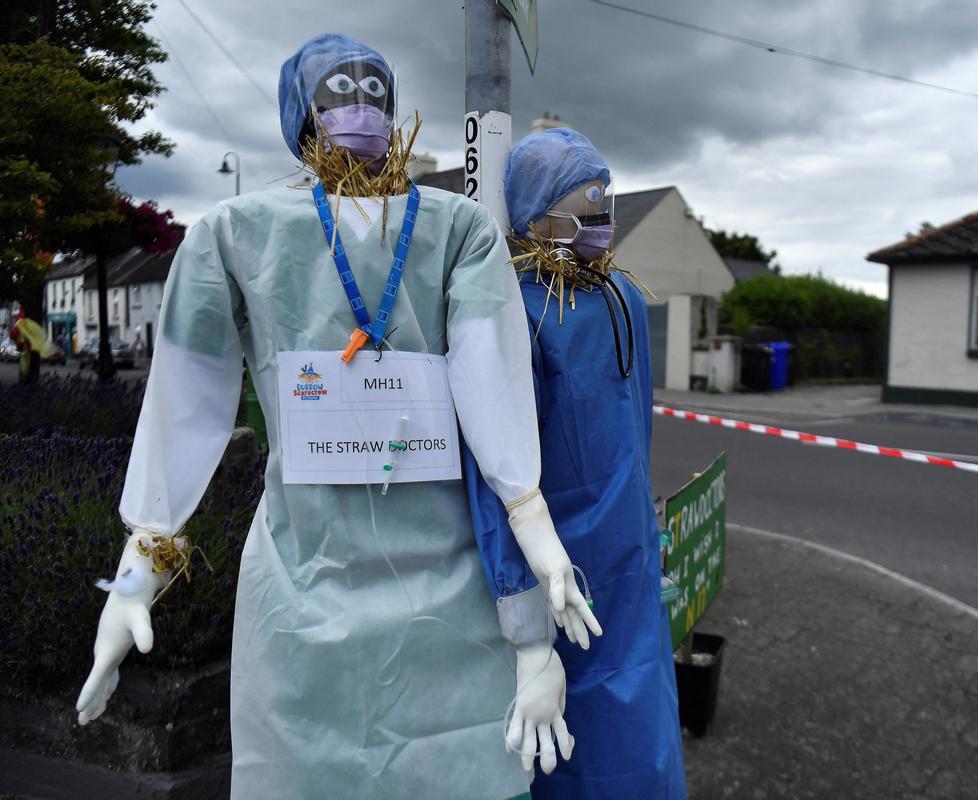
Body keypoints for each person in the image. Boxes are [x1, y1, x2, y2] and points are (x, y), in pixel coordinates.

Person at [76, 34, 596, 800]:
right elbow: (187, 400)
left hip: (446, 589)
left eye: (376, 91)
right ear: (301, 113)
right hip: (302, 582)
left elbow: (495, 390)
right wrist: (136, 575)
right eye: (338, 91)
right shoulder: (235, 235)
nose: (361, 108)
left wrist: (534, 535)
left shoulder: (458, 230)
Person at [464, 128, 688, 799]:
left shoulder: (622, 298)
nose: (598, 226)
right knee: (574, 753)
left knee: (646, 737)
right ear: (534, 215)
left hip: (629, 564)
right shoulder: (515, 312)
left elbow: (635, 430)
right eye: (579, 211)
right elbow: (494, 474)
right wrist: (524, 621)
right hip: (562, 578)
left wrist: (646, 540)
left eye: (604, 207)